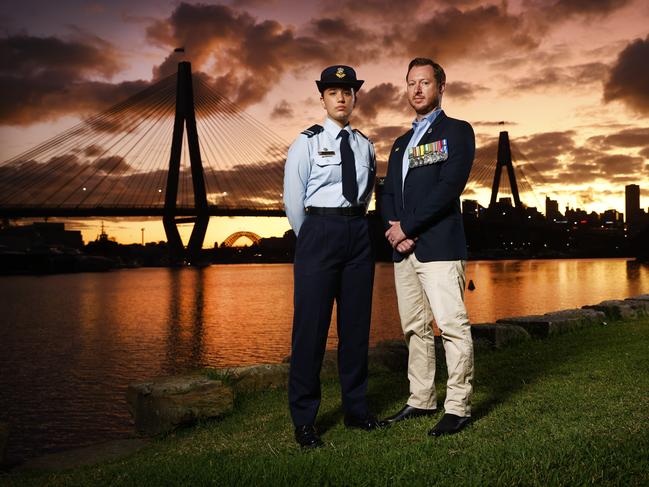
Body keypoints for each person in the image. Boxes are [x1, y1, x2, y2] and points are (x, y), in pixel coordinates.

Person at [283, 65, 380, 449]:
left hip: (358, 232)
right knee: (311, 330)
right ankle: (305, 420)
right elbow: (293, 199)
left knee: (356, 330)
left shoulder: (365, 144)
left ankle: (356, 410)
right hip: (318, 234)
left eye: (347, 91)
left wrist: (354, 223)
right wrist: (310, 235)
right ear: (322, 98)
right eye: (333, 92)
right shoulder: (305, 142)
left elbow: (367, 192)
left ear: (355, 97)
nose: (341, 97)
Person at [381, 57, 475, 436]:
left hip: (439, 247)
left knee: (451, 326)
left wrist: (409, 226)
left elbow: (447, 189)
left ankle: (458, 406)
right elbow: (387, 192)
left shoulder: (457, 131)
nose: (417, 89)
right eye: (410, 83)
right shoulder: (401, 144)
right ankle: (421, 398)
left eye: (424, 82)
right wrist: (395, 231)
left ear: (440, 87)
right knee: (414, 329)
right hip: (403, 251)